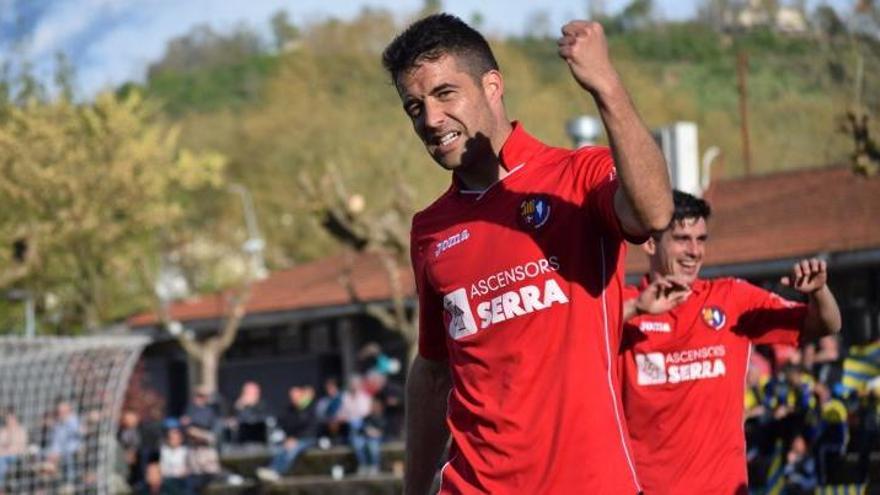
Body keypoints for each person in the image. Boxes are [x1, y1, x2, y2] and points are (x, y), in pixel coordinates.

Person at [382, 13, 673, 494]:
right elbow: (434, 371)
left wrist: (606, 87)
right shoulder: (430, 230)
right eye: (414, 107)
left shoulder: (577, 178)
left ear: (492, 85)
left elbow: (655, 212)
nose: (431, 120)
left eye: (445, 94)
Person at [618, 190, 842, 494]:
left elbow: (826, 324)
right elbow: (570, 335)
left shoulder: (731, 299)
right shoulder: (624, 307)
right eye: (683, 238)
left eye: (701, 239)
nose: (694, 251)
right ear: (649, 242)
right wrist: (636, 309)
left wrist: (818, 292)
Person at [255, 386, 318, 483]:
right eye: (291, 396)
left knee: (291, 450)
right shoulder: (290, 410)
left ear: (301, 395)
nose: (293, 398)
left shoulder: (310, 407)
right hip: (292, 439)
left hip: (308, 439)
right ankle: (271, 469)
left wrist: (295, 439)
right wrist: (288, 438)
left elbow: (311, 429)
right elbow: (285, 426)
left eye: (295, 396)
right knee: (280, 449)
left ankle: (276, 471)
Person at [0, 408, 27, 487]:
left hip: (15, 456)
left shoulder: (21, 430)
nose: (9, 420)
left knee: (1, 462)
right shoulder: (3, 430)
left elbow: (20, 447)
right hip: (3, 454)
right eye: (8, 418)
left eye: (11, 418)